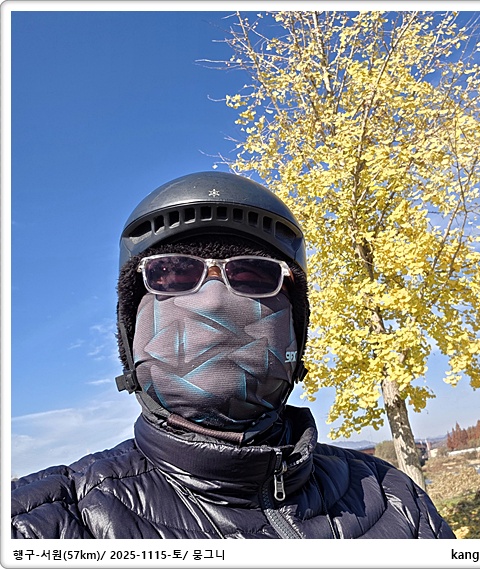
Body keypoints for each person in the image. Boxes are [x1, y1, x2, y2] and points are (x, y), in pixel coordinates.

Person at [11, 171, 455, 539]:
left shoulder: (397, 500)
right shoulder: (39, 523)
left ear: (296, 333)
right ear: (129, 333)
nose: (214, 300)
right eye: (172, 273)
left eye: (254, 274)